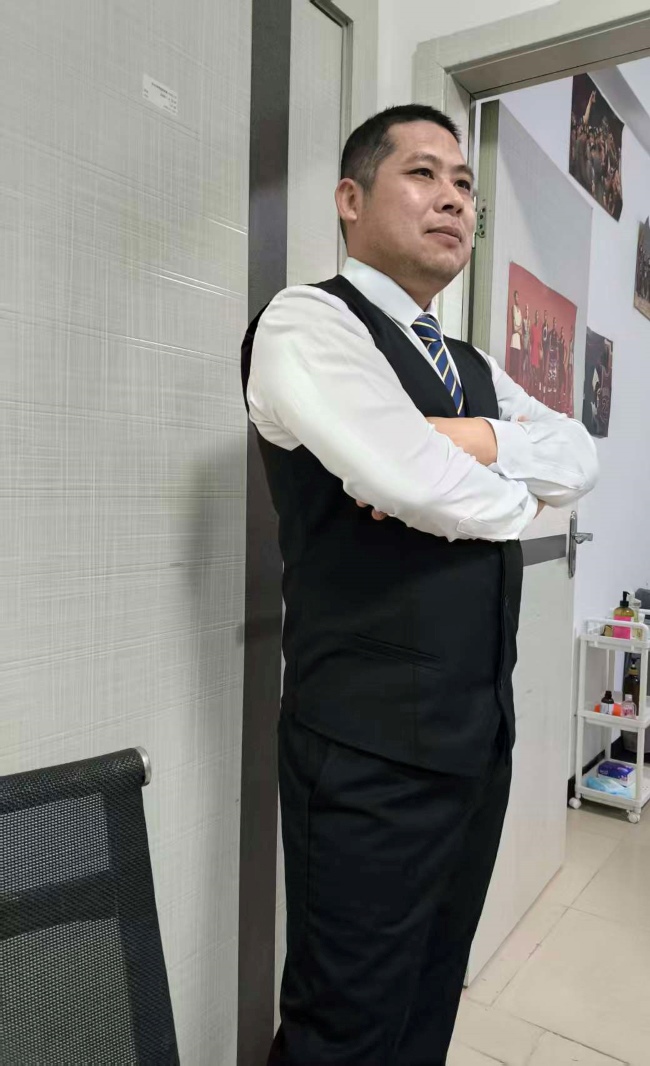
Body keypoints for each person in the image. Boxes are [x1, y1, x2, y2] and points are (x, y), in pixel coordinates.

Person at [242, 104, 598, 1066]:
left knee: (428, 1002)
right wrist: (512, 492)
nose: (453, 199)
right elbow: (417, 484)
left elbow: (579, 456)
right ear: (350, 200)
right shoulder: (306, 321)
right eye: (424, 174)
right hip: (365, 753)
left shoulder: (472, 366)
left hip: (475, 740)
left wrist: (468, 440)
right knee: (344, 1025)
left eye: (465, 184)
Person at [509, 289, 523, 382]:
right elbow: (515, 328)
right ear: (514, 298)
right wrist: (518, 329)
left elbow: (521, 327)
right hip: (514, 341)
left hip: (519, 343)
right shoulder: (513, 308)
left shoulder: (520, 311)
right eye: (516, 297)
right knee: (513, 367)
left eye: (518, 297)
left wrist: (518, 329)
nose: (517, 298)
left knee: (517, 367)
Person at [530, 309, 542, 401]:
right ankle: (533, 388)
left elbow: (540, 341)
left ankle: (537, 387)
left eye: (538, 315)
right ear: (535, 316)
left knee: (538, 370)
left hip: (538, 350)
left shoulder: (540, 327)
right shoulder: (533, 327)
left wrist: (541, 351)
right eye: (536, 315)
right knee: (533, 368)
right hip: (533, 349)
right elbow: (531, 340)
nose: (537, 316)